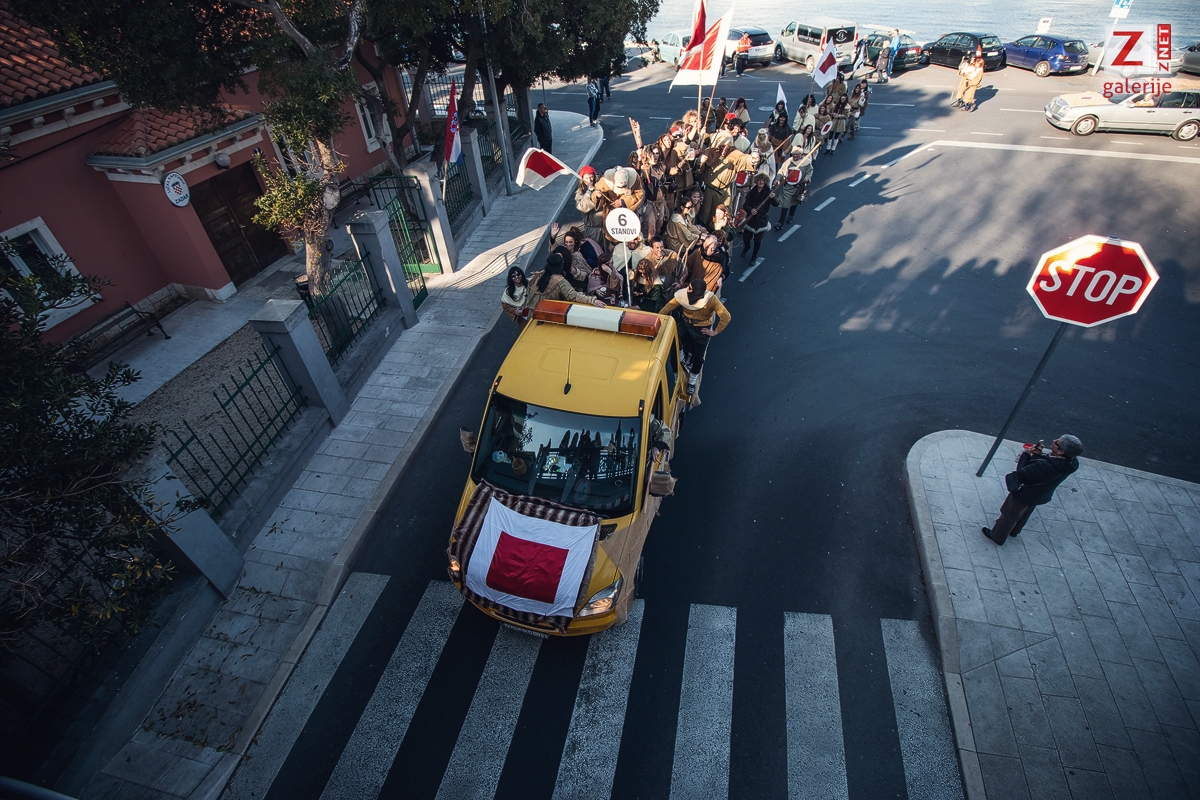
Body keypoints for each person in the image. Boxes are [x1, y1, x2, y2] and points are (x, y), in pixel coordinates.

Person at [983, 435, 1083, 545]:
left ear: (1060, 452)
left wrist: (1026, 454)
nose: (1054, 440)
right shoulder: (1072, 464)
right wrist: (1037, 456)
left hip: (1026, 493)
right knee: (1025, 513)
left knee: (1010, 514)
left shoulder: (1046, 465)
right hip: (1040, 494)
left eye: (1057, 442)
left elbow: (1022, 473)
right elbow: (1039, 472)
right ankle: (1014, 530)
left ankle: (997, 536)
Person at [659, 278, 731, 394]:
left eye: (690, 288)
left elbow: (726, 316)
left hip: (701, 329)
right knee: (675, 347)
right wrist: (658, 320)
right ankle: (678, 370)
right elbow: (668, 307)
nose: (687, 289)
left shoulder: (711, 299)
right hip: (686, 325)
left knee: (699, 358)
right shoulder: (682, 296)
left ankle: (692, 381)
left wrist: (715, 332)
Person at [526, 253, 606, 310]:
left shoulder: (538, 276)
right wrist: (592, 300)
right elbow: (574, 296)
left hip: (532, 316)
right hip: (549, 315)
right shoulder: (560, 281)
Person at [739, 173, 773, 261]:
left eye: (762, 180)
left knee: (757, 241)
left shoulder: (769, 193)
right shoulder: (751, 192)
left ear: (765, 182)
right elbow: (745, 205)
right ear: (756, 181)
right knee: (746, 238)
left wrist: (773, 198)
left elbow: (776, 204)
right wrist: (751, 210)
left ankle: (754, 257)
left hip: (761, 221)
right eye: (759, 180)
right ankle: (747, 247)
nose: (761, 182)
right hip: (751, 220)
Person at [773, 145, 807, 229]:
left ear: (800, 154)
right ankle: (780, 222)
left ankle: (791, 215)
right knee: (785, 204)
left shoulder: (806, 162)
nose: (795, 156)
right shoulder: (788, 161)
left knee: (794, 202)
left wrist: (807, 178)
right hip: (788, 186)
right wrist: (778, 179)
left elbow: (809, 172)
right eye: (793, 154)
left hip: (798, 187)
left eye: (797, 154)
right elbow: (781, 170)